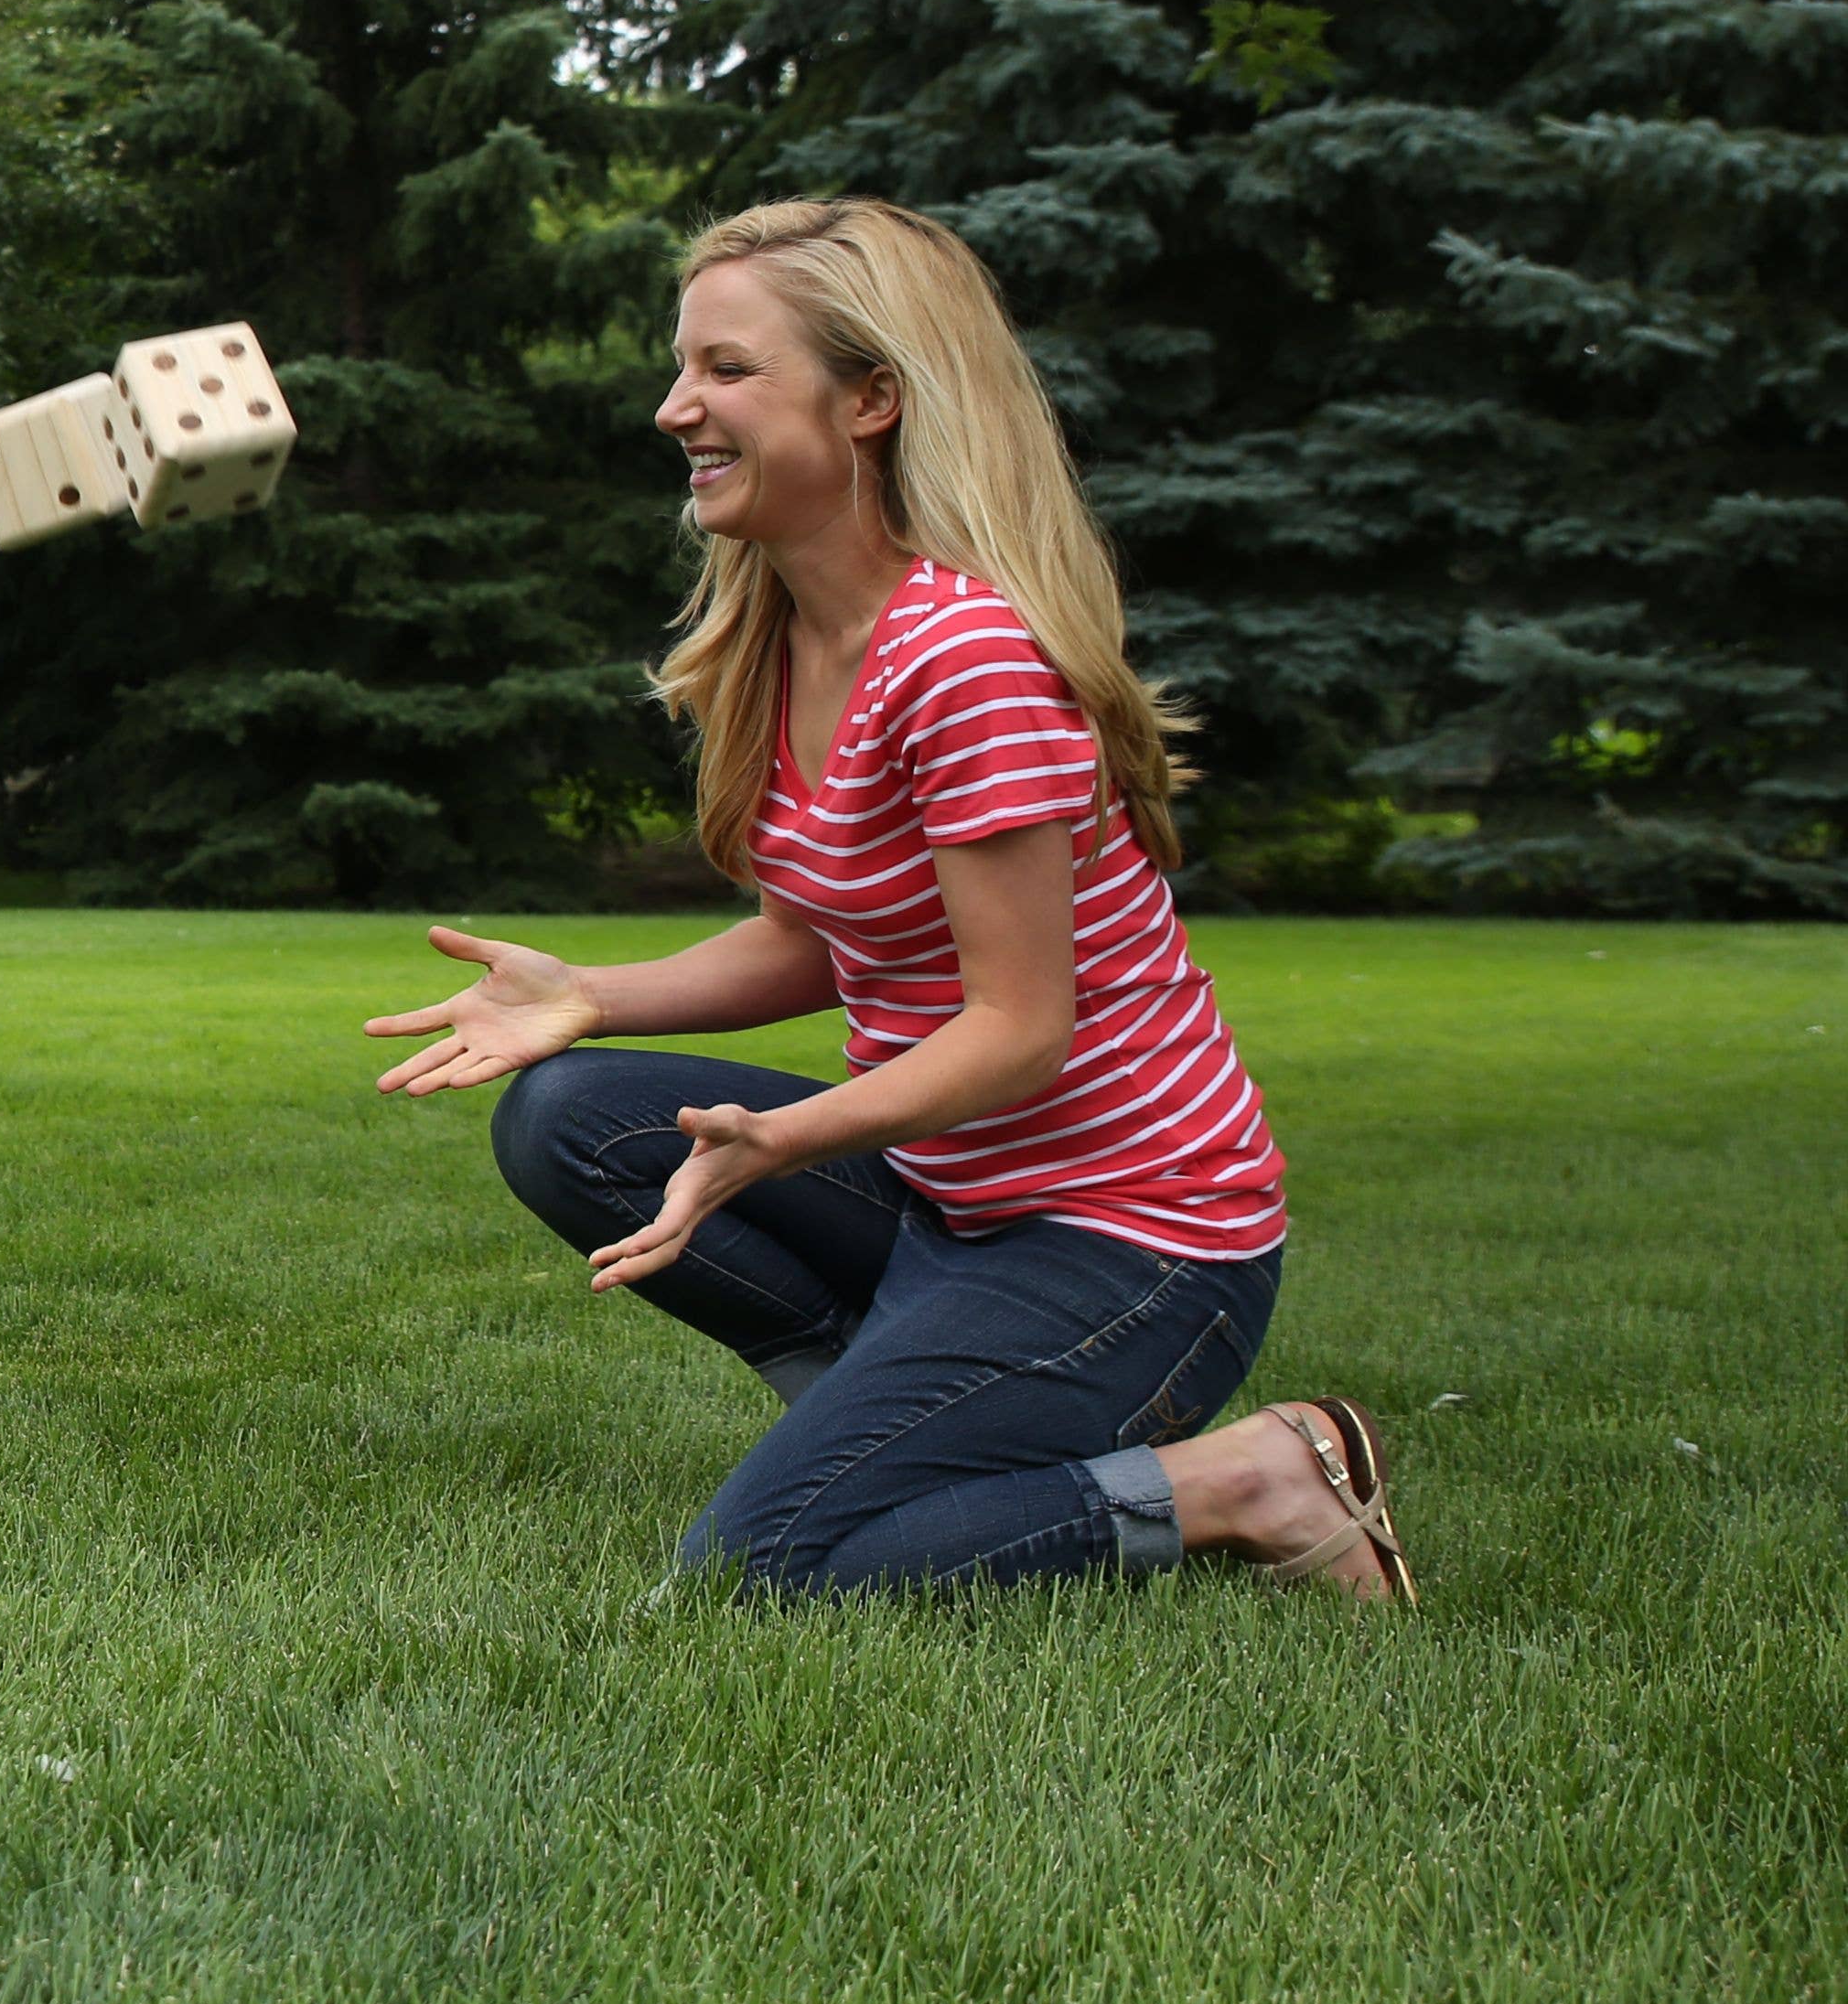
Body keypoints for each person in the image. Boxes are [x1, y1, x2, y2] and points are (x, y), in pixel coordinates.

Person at [363, 198, 1414, 1602]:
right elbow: (816, 938)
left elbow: (1020, 1027)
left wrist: (783, 1139)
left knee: (760, 1575)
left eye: (728, 369)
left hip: (1135, 1248)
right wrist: (587, 998)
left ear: (871, 399)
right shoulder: (782, 635)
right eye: (681, 369)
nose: (675, 408)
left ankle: (1245, 1480)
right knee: (566, 1116)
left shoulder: (965, 656)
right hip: (951, 1201)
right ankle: (885, 1425)